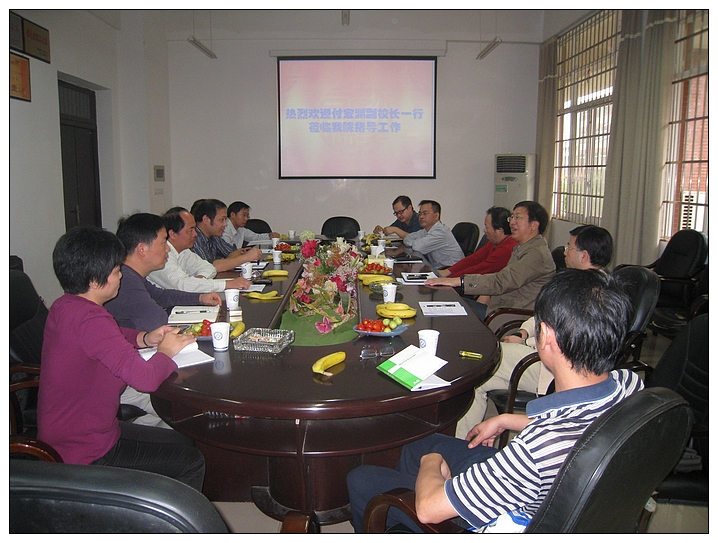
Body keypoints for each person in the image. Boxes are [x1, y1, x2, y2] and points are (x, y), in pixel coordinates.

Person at [347, 269, 642, 532]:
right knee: (420, 444)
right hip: (557, 488)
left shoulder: (534, 451)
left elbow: (428, 509)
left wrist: (432, 463)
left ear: (546, 336)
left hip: (513, 516)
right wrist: (508, 419)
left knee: (363, 479)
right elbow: (582, 426)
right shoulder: (629, 384)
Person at [37, 226, 206, 491]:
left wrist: (145, 338)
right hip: (85, 450)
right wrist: (166, 352)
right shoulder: (91, 319)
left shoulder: (66, 305)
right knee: (191, 461)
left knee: (183, 440)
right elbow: (146, 379)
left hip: (84, 432)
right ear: (96, 280)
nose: (121, 277)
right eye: (117, 271)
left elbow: (110, 336)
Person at [454, 225, 614, 438]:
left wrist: (526, 342)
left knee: (481, 360)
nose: (565, 252)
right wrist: (523, 332)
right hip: (540, 353)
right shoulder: (595, 285)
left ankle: (463, 443)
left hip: (549, 366)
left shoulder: (585, 295)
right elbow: (541, 316)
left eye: (569, 247)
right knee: (478, 380)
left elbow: (563, 342)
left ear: (584, 256)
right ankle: (466, 442)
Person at [105, 213, 222, 427]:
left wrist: (199, 298)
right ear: (142, 249)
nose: (168, 249)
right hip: (128, 382)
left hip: (139, 365)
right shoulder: (125, 281)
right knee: (200, 407)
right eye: (162, 242)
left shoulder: (131, 275)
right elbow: (157, 320)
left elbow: (162, 295)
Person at [425, 201, 555, 320]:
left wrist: (458, 281)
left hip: (509, 315)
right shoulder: (522, 247)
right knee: (441, 304)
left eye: (518, 217)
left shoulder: (536, 254)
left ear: (534, 225)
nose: (512, 222)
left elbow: (502, 281)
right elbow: (482, 264)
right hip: (498, 307)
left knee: (444, 307)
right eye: (512, 217)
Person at [147, 206, 251, 293]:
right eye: (190, 230)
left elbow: (209, 268)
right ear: (173, 234)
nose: (195, 234)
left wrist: (200, 281)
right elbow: (182, 285)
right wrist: (226, 284)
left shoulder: (184, 251)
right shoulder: (161, 255)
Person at [437, 206, 517, 278]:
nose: (484, 230)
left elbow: (480, 269)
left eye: (487, 227)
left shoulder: (507, 249)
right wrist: (448, 271)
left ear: (499, 230)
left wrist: (450, 278)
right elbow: (474, 258)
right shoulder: (495, 242)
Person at [190, 198, 262, 271]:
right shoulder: (194, 239)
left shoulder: (214, 236)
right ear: (206, 220)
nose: (225, 224)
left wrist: (224, 263)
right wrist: (246, 257)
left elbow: (234, 253)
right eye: (222, 219)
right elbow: (209, 268)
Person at [401, 200, 465, 270]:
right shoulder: (426, 231)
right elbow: (407, 238)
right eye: (420, 214)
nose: (421, 217)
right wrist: (415, 243)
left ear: (436, 215)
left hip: (452, 270)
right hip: (438, 269)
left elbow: (418, 248)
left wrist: (415, 243)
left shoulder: (441, 232)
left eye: (425, 213)